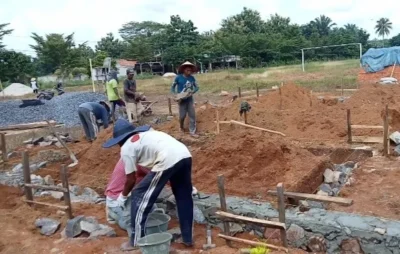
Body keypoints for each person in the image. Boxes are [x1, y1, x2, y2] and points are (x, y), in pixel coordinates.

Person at [103, 119, 194, 251]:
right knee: (183, 197)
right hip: (185, 154)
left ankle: (135, 241)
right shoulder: (149, 134)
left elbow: (131, 179)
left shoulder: (127, 148)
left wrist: (122, 197)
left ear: (120, 140)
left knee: (138, 194)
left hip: (167, 158)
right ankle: (187, 239)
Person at [105, 159, 156, 237]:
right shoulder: (139, 159)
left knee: (153, 213)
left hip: (131, 195)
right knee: (131, 224)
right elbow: (161, 176)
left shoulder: (134, 153)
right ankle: (113, 213)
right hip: (117, 199)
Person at [171, 61, 199, 136]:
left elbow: (197, 87)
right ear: (184, 70)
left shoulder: (192, 78)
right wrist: (175, 94)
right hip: (181, 99)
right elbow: (172, 87)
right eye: (187, 70)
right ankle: (181, 127)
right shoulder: (178, 78)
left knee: (192, 115)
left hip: (189, 99)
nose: (189, 71)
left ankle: (192, 131)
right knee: (182, 116)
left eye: (190, 70)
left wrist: (192, 92)